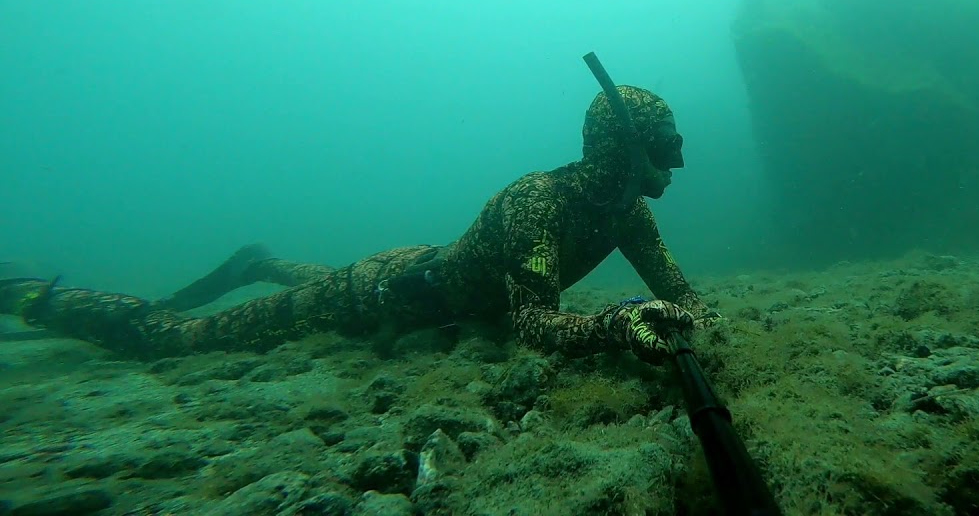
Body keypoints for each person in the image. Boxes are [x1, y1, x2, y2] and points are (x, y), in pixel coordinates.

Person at [0, 81, 720, 364]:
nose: (677, 166)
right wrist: (615, 326)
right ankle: (42, 299)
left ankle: (260, 263)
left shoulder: (624, 213)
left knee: (320, 281)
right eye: (667, 150)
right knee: (178, 341)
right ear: (623, 150)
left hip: (424, 274)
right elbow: (531, 320)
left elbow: (681, 294)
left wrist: (686, 315)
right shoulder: (540, 206)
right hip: (379, 291)